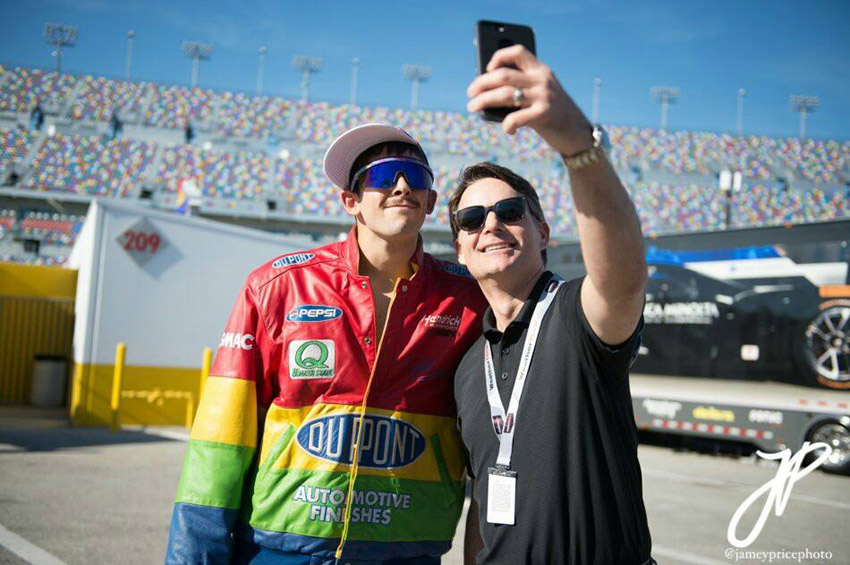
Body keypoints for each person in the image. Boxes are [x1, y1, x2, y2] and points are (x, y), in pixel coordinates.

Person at [165, 123, 487, 564]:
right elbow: (220, 442)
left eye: (415, 177)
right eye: (383, 175)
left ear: (430, 201)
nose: (401, 187)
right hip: (280, 549)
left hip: (407, 551)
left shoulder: (471, 299)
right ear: (350, 201)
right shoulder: (276, 286)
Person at [450, 45, 654, 564]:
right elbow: (483, 504)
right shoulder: (469, 365)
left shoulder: (574, 317)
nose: (490, 225)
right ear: (460, 250)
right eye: (471, 220)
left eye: (509, 211)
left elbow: (622, 278)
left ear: (541, 232)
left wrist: (578, 148)